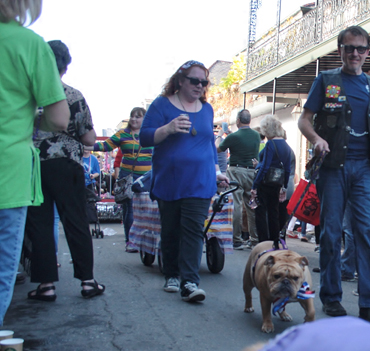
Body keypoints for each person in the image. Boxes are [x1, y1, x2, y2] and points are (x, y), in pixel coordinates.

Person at [298, 25, 370, 325]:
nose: (355, 53)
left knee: (367, 234)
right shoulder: (326, 80)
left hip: (367, 170)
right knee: (330, 233)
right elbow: (304, 120)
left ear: (367, 52)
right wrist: (316, 139)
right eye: (349, 47)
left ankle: (369, 303)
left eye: (361, 49)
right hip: (333, 168)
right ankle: (331, 297)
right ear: (340, 49)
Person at [0, 0, 69, 324]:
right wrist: (30, 118)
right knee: (2, 271)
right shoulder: (28, 43)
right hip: (7, 173)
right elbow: (59, 118)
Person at [140, 60, 228, 303]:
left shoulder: (207, 109)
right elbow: (144, 138)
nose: (200, 85)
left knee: (192, 231)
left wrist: (217, 170)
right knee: (171, 230)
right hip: (170, 179)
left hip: (200, 181)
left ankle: (190, 282)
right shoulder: (161, 105)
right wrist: (167, 129)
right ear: (180, 81)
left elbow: (209, 143)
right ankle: (171, 273)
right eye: (194, 80)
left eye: (204, 82)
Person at [26, 39, 106, 301]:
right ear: (65, 66)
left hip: (34, 163)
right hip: (66, 164)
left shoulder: (28, 93)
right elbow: (89, 139)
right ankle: (88, 281)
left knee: (40, 223)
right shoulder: (72, 95)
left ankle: (46, 284)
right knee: (75, 221)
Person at [94, 107, 151, 252]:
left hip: (148, 178)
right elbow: (105, 145)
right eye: (132, 116)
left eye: (138, 116)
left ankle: (146, 239)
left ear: (145, 118)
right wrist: (86, 145)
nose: (133, 119)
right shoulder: (122, 134)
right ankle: (130, 241)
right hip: (128, 178)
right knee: (130, 209)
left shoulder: (151, 134)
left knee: (148, 209)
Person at [218, 109, 259, 250]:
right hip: (252, 171)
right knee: (251, 205)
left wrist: (220, 136)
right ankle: (254, 239)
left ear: (237, 120)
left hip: (236, 170)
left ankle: (236, 239)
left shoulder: (233, 137)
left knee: (236, 204)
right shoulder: (256, 136)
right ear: (250, 120)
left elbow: (218, 149)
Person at [250, 115, 292, 249]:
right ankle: (275, 241)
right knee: (274, 212)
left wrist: (255, 185)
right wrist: (284, 186)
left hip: (265, 182)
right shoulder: (286, 145)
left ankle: (263, 242)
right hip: (277, 183)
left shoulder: (270, 144)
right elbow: (287, 169)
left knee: (260, 212)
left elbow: (265, 166)